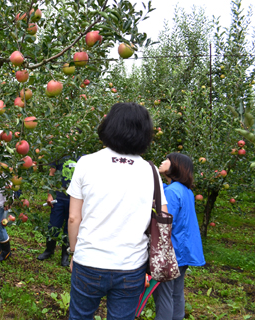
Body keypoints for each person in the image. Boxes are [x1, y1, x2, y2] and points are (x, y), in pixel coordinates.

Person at [66, 102, 168, 320]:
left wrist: (74, 252)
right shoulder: (150, 171)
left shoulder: (86, 163)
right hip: (130, 265)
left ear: (109, 126)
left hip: (89, 260)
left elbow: (74, 217)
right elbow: (164, 216)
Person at [153, 153, 205, 320]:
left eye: (166, 159)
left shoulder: (172, 192)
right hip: (183, 250)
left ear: (175, 165)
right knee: (176, 292)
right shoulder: (186, 191)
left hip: (171, 250)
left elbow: (166, 222)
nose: (162, 161)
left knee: (164, 294)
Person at [37, 156, 78, 267]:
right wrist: (50, 194)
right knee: (54, 225)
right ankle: (49, 250)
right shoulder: (61, 154)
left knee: (69, 227)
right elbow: (52, 174)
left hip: (74, 199)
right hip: (58, 198)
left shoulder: (82, 156)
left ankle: (65, 254)